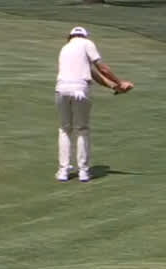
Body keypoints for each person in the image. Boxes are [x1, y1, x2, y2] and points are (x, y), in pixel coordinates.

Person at [54, 26, 133, 183]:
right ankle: (83, 171)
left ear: (70, 36)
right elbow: (101, 68)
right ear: (84, 36)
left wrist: (114, 87)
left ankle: (63, 170)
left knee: (65, 129)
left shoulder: (65, 48)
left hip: (61, 90)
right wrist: (120, 82)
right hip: (80, 90)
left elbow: (94, 75)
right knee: (82, 129)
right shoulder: (87, 43)